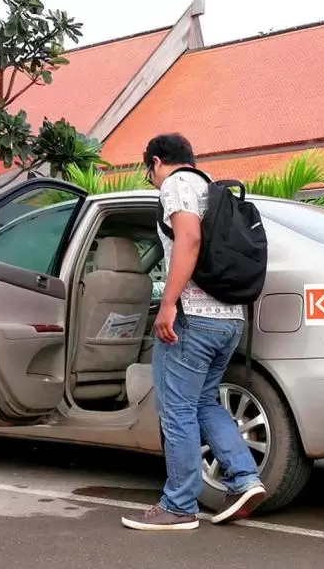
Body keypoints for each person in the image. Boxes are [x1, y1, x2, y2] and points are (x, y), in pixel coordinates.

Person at [121, 133, 266, 531]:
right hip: (229, 319)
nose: (150, 178)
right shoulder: (212, 189)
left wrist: (168, 303)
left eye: (148, 170)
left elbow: (189, 237)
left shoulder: (176, 184)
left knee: (178, 410)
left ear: (155, 161)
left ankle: (179, 505)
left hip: (194, 319)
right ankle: (244, 477)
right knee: (204, 402)